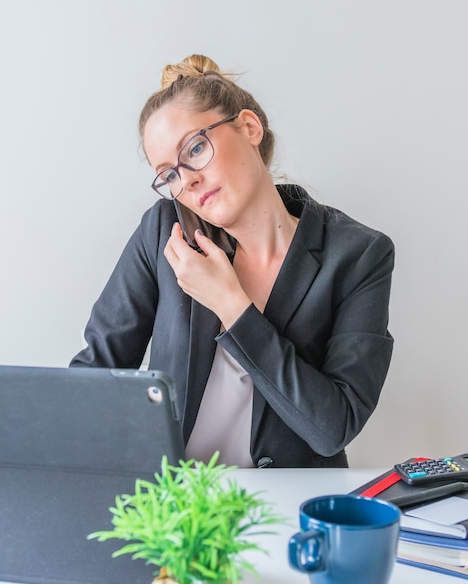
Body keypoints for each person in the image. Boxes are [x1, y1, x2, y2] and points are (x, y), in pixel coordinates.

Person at [70, 54, 394, 468]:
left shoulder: (358, 255)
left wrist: (232, 306)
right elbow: (95, 375)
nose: (186, 180)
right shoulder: (166, 233)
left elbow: (333, 428)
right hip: (174, 510)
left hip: (288, 511)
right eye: (168, 174)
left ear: (249, 127)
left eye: (196, 148)